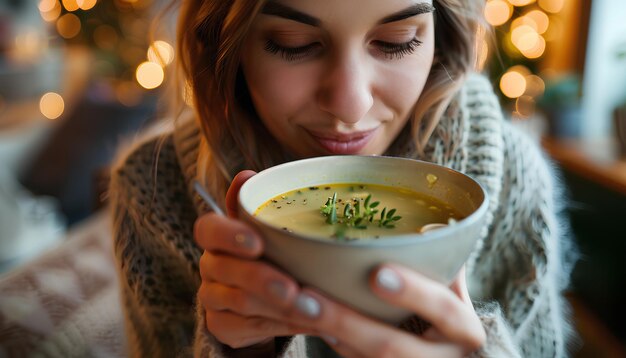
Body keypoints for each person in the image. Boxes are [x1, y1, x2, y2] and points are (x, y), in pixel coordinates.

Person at [110, 0, 578, 357]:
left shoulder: (513, 173)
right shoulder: (152, 189)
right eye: (293, 43)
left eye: (397, 41)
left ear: (444, 35)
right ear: (225, 41)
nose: (351, 105)